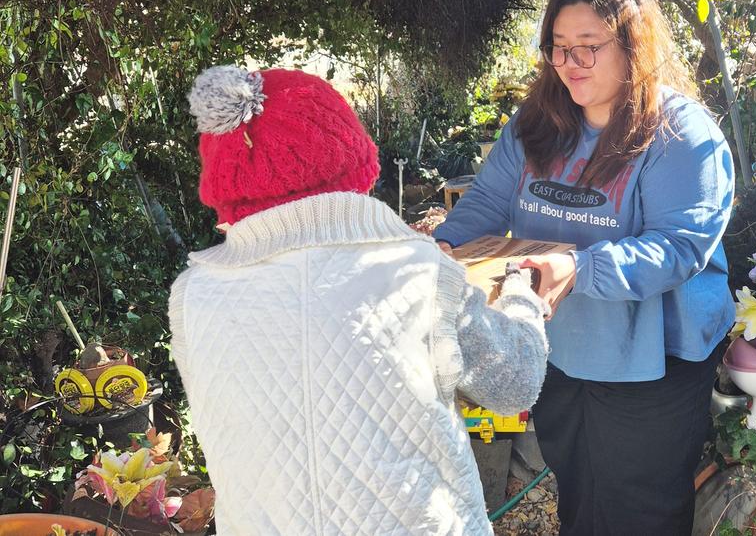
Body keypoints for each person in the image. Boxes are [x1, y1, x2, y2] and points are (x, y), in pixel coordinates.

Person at [168, 65, 548, 535]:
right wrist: (521, 296)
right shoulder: (417, 273)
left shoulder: (193, 296)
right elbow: (514, 385)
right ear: (353, 162)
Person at [433, 0, 736, 535]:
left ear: (633, 47)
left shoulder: (680, 134)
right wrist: (439, 249)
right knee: (577, 495)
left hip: (653, 367)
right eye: (558, 47)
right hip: (560, 350)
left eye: (588, 47)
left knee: (640, 513)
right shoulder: (536, 124)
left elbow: (678, 248)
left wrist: (577, 266)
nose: (569, 64)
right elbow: (485, 205)